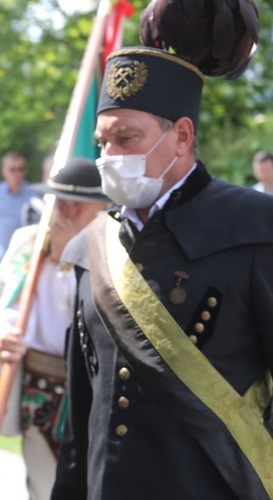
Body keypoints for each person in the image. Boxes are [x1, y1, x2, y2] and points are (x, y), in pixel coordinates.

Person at [52, 8, 273, 498]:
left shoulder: (256, 227)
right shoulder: (94, 245)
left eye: (126, 138)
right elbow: (83, 414)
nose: (110, 157)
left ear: (182, 136)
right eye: (103, 142)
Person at [0, 157, 110, 500]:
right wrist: (3, 336)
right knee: (42, 485)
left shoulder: (112, 250)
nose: (66, 212)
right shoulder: (29, 242)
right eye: (60, 201)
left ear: (102, 206)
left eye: (77, 204)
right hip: (37, 390)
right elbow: (9, 302)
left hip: (92, 393)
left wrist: (71, 257)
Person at [0, 151, 41, 275]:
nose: (17, 173)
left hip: (25, 259)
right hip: (0, 256)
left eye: (21, 169)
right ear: (3, 171)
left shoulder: (35, 193)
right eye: (13, 169)